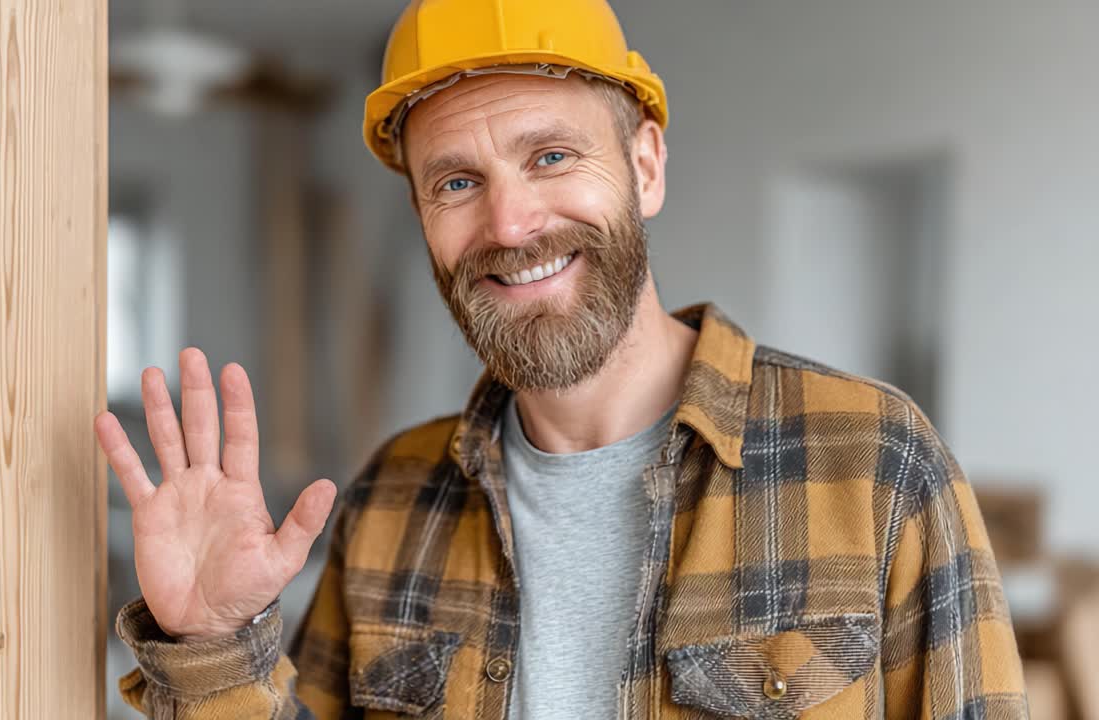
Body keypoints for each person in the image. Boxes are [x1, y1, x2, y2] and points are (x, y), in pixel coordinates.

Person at [95, 0, 1029, 717]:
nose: (509, 224)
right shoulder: (391, 500)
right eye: (457, 181)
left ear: (646, 167)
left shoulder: (873, 463)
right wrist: (216, 641)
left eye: (550, 157)